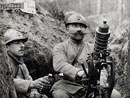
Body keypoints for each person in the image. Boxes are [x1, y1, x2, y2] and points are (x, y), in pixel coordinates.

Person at [51, 12, 121, 98]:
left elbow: (103, 66)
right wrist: (79, 73)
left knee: (115, 95)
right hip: (67, 85)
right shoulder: (60, 47)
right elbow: (59, 64)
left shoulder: (93, 48)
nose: (79, 29)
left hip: (90, 86)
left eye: (82, 26)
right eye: (75, 26)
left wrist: (102, 79)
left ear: (86, 30)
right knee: (60, 95)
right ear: (67, 28)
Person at [4, 29, 51, 98]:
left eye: (22, 42)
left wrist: (34, 92)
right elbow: (7, 82)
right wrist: (31, 84)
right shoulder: (3, 64)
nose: (22, 45)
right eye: (17, 42)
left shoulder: (21, 65)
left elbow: (29, 79)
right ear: (7, 47)